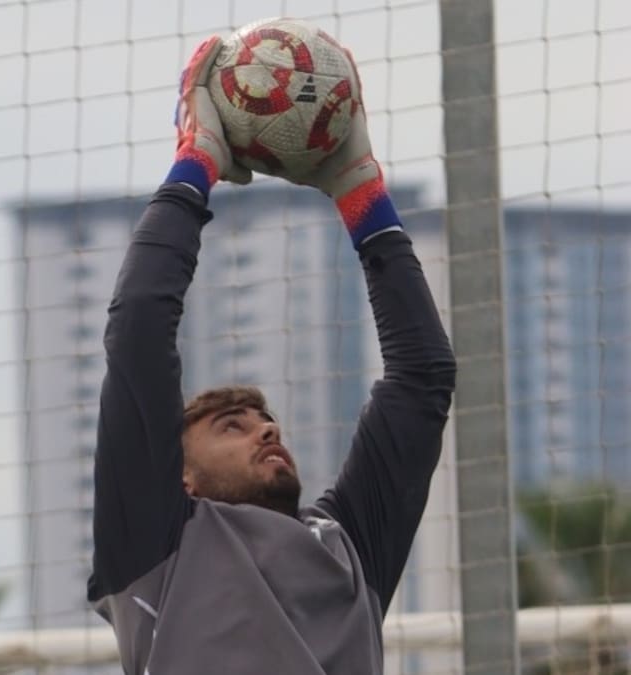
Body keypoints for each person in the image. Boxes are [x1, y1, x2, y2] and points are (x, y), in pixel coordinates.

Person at [86, 35, 457, 674]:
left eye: (264, 421)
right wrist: (196, 160)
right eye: (232, 426)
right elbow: (140, 327)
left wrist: (361, 192)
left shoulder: (350, 547)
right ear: (181, 474)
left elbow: (424, 377)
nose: (266, 429)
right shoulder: (157, 541)